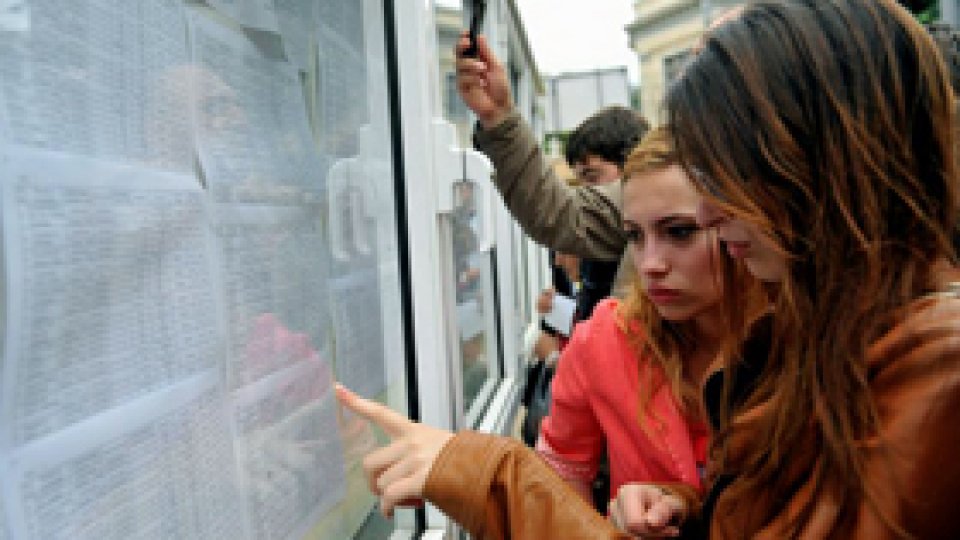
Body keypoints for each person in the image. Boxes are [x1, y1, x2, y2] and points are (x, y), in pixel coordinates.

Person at [337, 0, 960, 538]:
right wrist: (689, 508)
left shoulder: (931, 373)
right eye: (635, 234)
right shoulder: (834, 335)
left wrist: (493, 476)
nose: (713, 214)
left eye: (727, 177)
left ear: (818, 165)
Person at [534, 127, 765, 506]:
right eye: (634, 236)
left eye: (679, 232)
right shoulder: (605, 339)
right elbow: (559, 476)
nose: (650, 264)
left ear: (737, 221)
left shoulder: (804, 336)